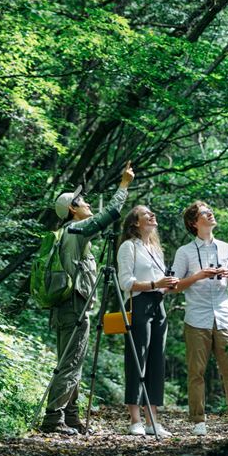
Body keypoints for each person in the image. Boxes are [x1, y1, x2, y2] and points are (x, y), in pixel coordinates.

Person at [40, 162, 134, 435]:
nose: (89, 204)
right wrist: (124, 185)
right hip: (74, 307)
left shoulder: (66, 234)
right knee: (70, 362)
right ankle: (52, 418)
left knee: (72, 360)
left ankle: (69, 416)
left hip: (65, 307)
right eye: (83, 202)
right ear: (72, 209)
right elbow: (111, 214)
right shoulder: (76, 230)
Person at [172, 201, 228, 436]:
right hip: (196, 318)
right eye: (204, 212)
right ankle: (198, 421)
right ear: (194, 222)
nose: (210, 214)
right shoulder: (185, 252)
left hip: (223, 316)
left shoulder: (227, 248)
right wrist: (199, 275)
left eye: (210, 211)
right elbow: (174, 287)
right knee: (196, 372)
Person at [117, 205, 178, 438]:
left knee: (156, 361)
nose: (152, 215)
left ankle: (153, 420)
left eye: (152, 213)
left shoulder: (155, 248)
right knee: (137, 358)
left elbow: (159, 281)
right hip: (138, 303)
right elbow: (126, 282)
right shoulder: (128, 247)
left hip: (158, 304)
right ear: (135, 223)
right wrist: (155, 284)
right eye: (146, 214)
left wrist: (166, 286)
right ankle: (135, 419)